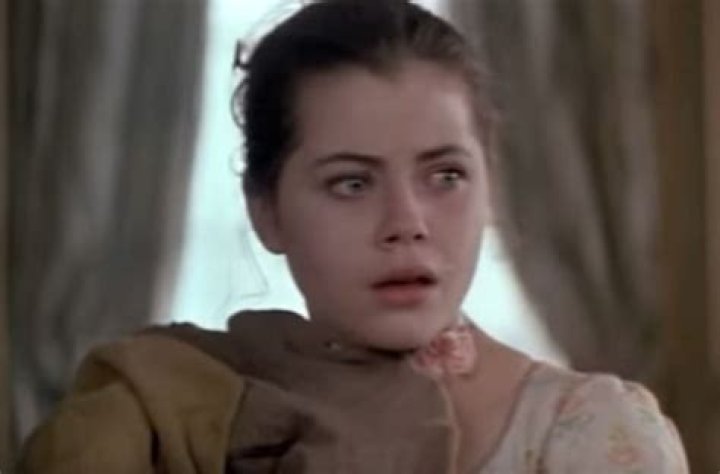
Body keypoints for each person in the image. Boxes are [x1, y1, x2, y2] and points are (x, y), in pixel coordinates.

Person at [20, 1, 688, 472]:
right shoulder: (180, 415)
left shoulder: (592, 437)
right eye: (351, 183)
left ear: (490, 187)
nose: (406, 222)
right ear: (266, 211)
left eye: (446, 175)